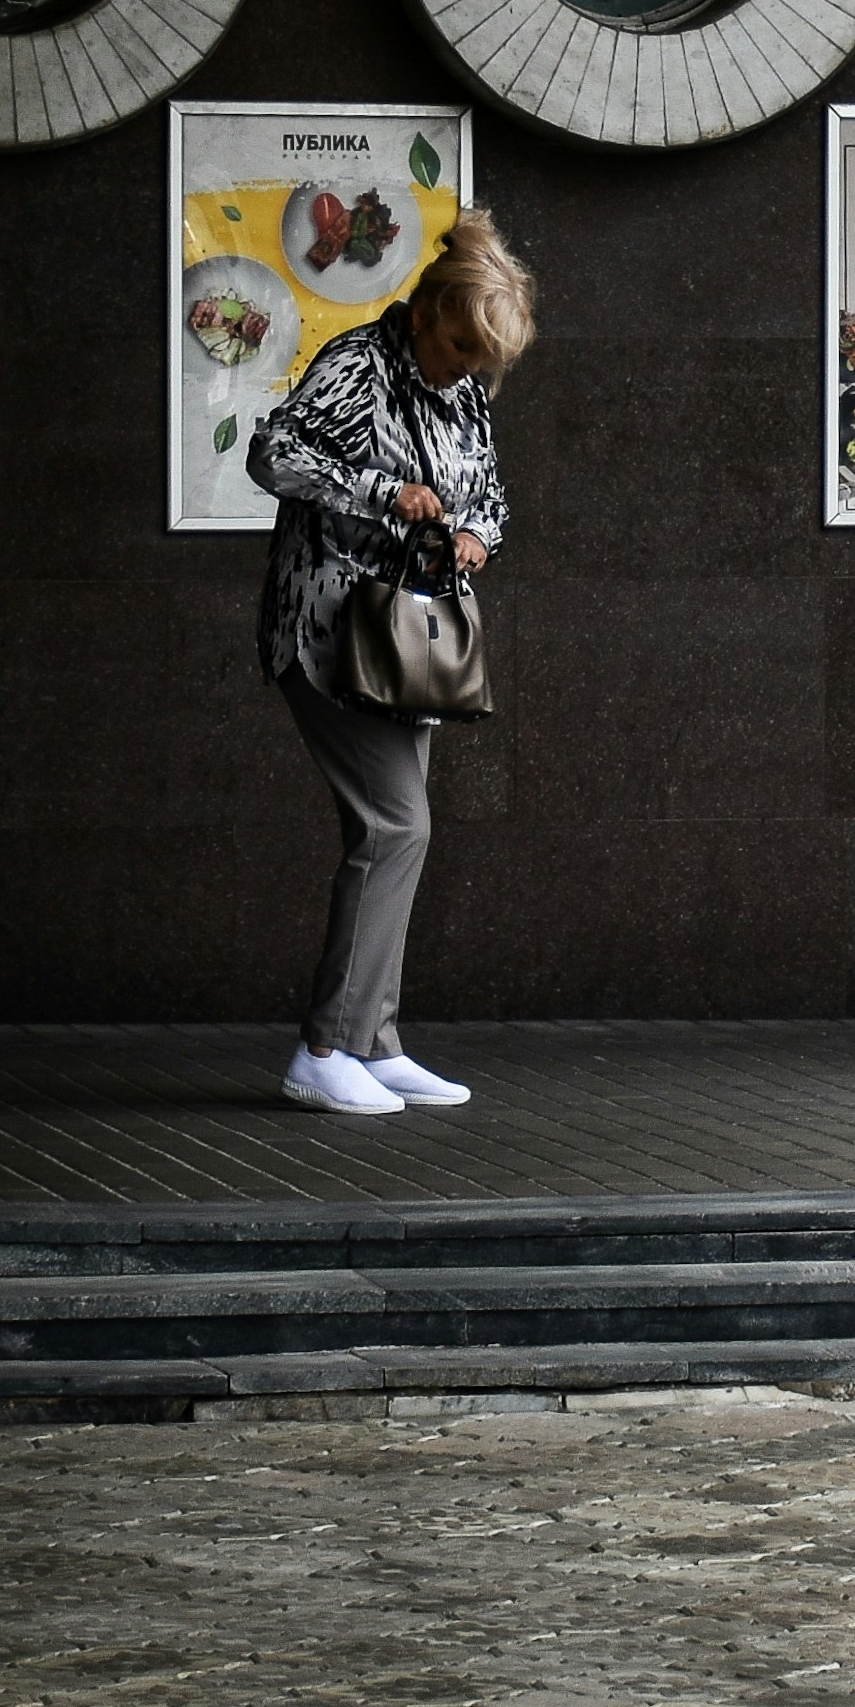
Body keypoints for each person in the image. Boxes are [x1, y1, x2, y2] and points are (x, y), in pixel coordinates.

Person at [242, 197, 529, 1115]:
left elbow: (489, 499)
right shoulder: (360, 365)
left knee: (398, 831)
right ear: (431, 312)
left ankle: (374, 1039)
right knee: (397, 827)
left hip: (406, 644)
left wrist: (477, 536)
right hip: (328, 632)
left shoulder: (465, 396)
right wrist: (382, 491)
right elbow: (272, 452)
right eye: (460, 352)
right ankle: (324, 1047)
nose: (466, 373)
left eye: (481, 364)